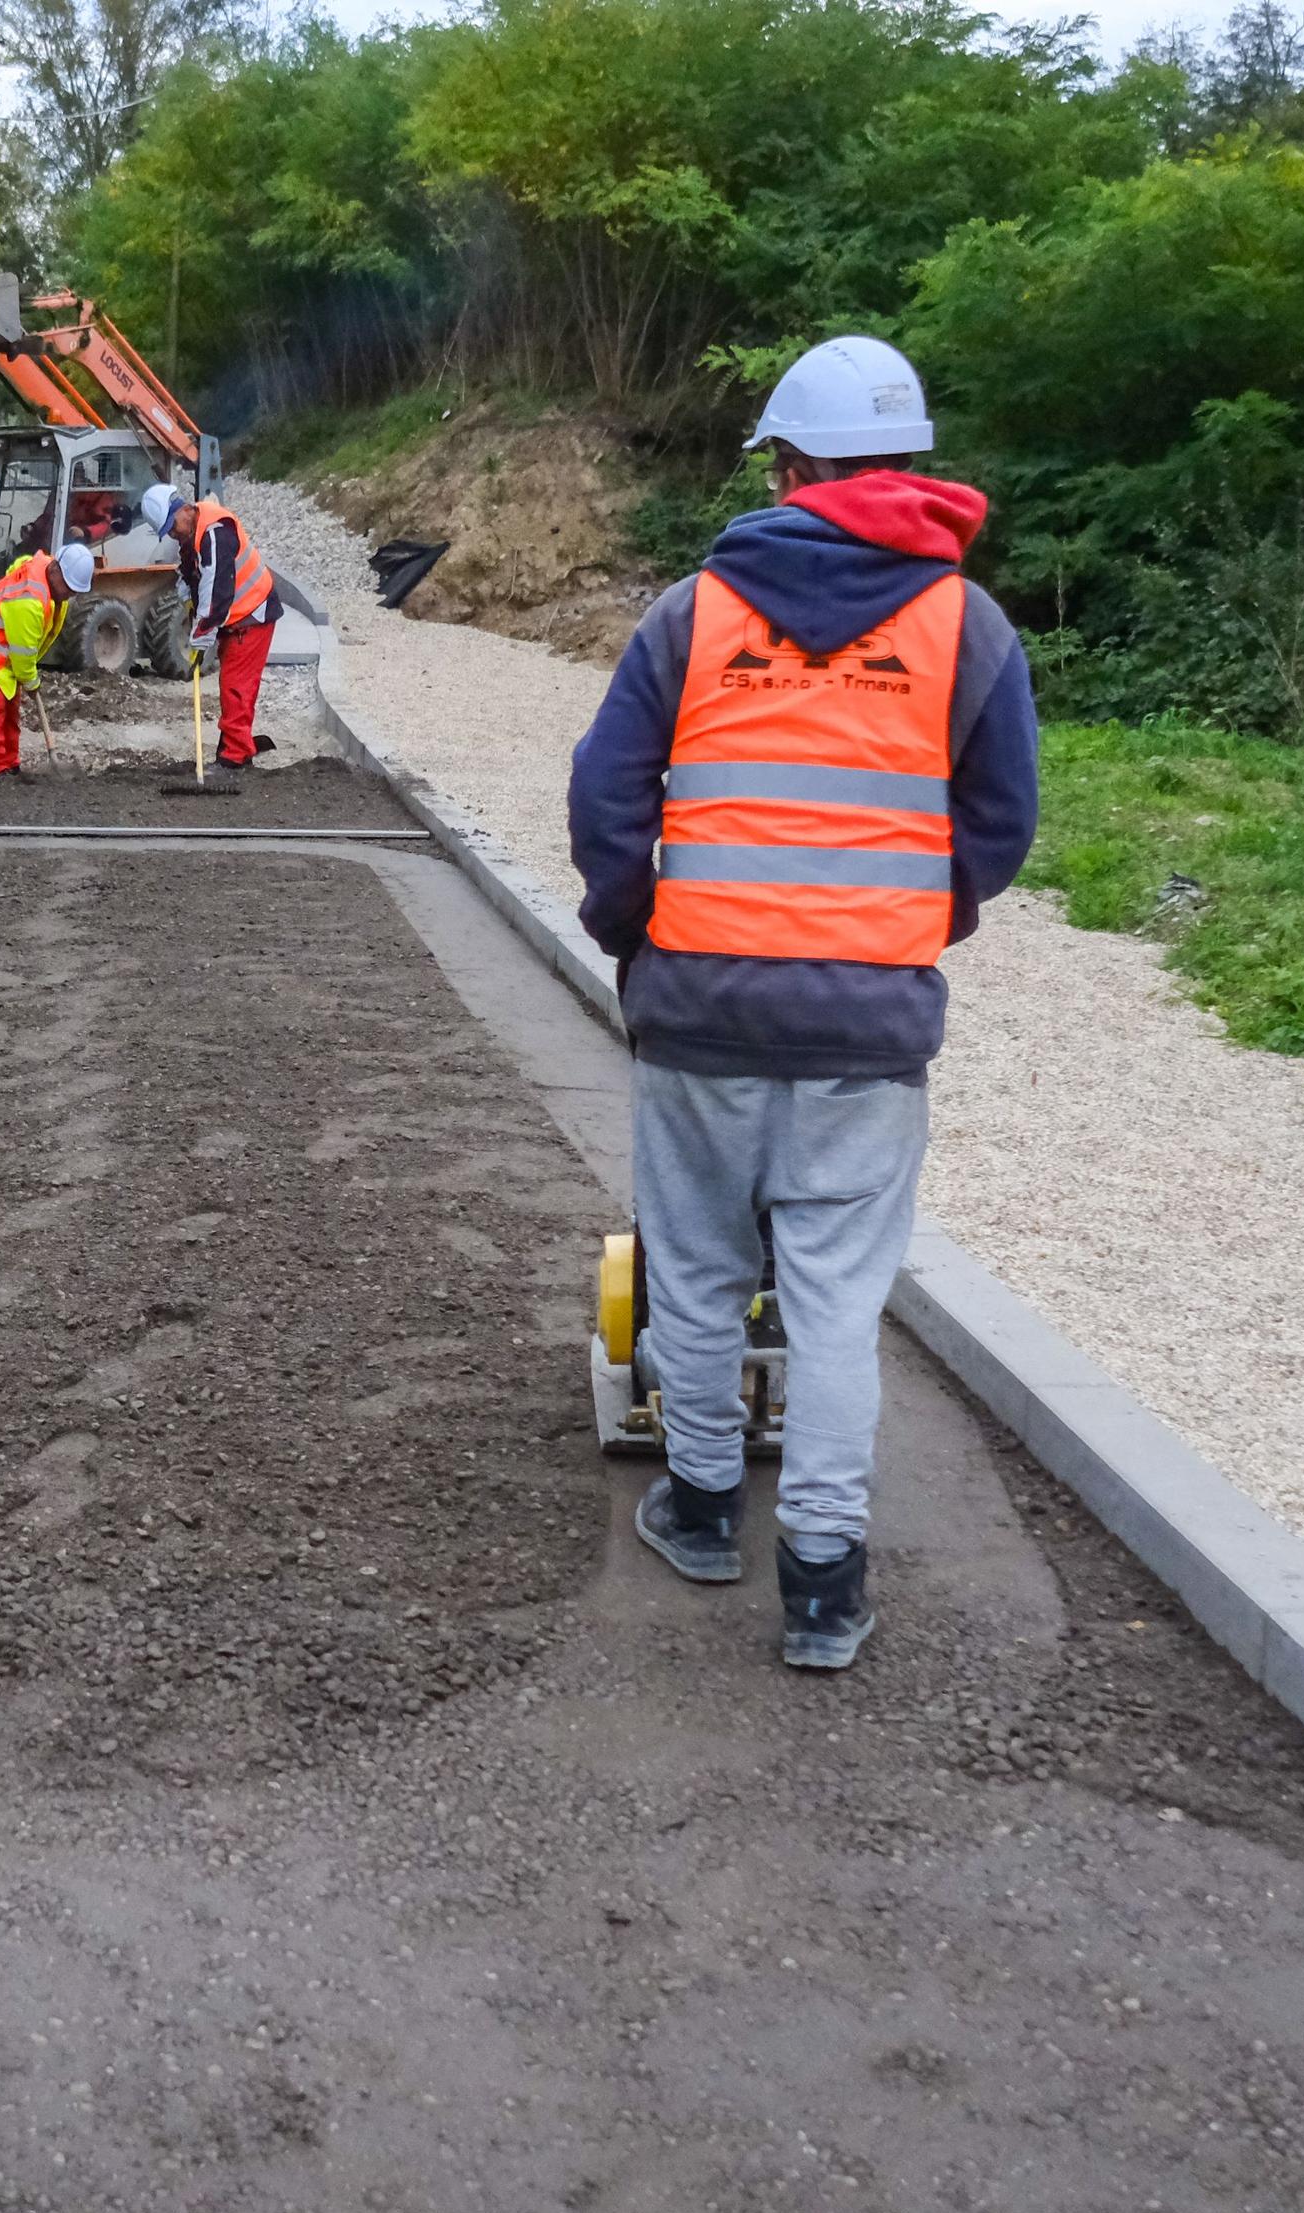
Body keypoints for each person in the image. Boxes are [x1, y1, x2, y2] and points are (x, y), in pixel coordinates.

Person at [563, 333, 1040, 1671]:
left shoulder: (695, 612)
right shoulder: (970, 627)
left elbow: (606, 797)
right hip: (866, 1031)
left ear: (787, 465)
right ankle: (823, 1582)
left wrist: (639, 938)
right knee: (835, 1301)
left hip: (700, 1007)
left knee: (701, 1273)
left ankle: (704, 1510)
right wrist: (908, 924)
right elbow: (1001, 823)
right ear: (909, 467)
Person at [139, 483, 279, 784]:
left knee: (236, 685)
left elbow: (216, 593)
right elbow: (193, 574)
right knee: (235, 685)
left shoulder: (215, 532)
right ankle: (234, 743)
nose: (173, 533)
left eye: (171, 526)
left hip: (252, 613)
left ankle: (235, 758)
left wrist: (201, 635)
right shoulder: (193, 532)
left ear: (184, 510)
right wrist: (189, 602)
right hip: (237, 617)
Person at [0, 540, 94, 783]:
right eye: (69, 588)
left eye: (75, 591)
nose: (70, 595)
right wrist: (31, 681)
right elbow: (23, 653)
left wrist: (27, 677)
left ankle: (11, 765)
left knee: (11, 711)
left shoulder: (46, 572)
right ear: (56, 570)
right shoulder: (29, 601)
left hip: (2, 657)